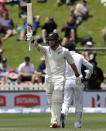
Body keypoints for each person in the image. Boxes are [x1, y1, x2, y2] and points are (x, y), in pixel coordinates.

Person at [26, 32, 82, 128]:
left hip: (59, 77)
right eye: (49, 40)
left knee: (57, 96)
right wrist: (32, 40)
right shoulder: (47, 50)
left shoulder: (64, 51)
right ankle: (55, 121)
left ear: (56, 40)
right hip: (49, 78)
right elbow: (37, 47)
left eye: (52, 40)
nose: (50, 42)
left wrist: (77, 75)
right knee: (51, 101)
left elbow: (72, 63)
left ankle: (55, 121)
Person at [61, 42, 93, 128]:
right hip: (78, 80)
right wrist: (88, 75)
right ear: (74, 48)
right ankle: (77, 123)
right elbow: (90, 67)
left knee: (66, 102)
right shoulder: (79, 56)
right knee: (78, 103)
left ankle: (63, 114)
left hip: (67, 81)